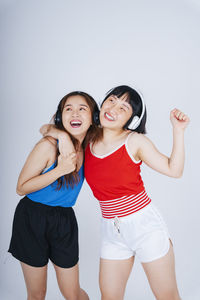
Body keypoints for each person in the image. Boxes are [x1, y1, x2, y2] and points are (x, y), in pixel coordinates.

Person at [41, 85, 190, 300]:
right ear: (101, 104)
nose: (113, 109)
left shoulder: (135, 141)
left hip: (145, 226)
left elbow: (174, 170)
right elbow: (46, 128)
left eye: (124, 108)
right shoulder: (88, 137)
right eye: (111, 100)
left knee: (167, 295)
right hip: (111, 230)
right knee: (109, 296)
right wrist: (63, 138)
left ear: (132, 119)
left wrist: (178, 130)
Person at [9, 91, 98, 300]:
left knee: (72, 293)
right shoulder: (48, 145)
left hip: (64, 219)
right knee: (37, 294)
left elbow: (44, 127)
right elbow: (21, 187)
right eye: (69, 109)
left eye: (82, 109)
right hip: (32, 217)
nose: (74, 113)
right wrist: (60, 168)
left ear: (94, 117)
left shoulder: (91, 146)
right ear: (61, 117)